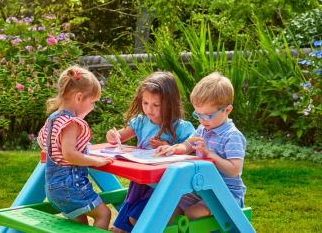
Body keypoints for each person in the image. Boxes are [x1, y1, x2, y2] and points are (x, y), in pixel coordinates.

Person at [106, 72, 195, 233]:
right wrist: (113, 136)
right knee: (132, 200)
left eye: (156, 105)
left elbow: (193, 154)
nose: (149, 109)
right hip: (141, 180)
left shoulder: (182, 127)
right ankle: (122, 227)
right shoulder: (141, 122)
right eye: (145, 103)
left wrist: (168, 147)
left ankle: (129, 226)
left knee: (137, 217)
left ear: (170, 103)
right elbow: (120, 136)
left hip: (164, 183)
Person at [156, 72, 247, 227]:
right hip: (201, 189)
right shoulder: (202, 129)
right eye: (198, 115)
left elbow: (233, 170)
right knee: (168, 205)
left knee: (192, 214)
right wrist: (171, 149)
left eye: (208, 115)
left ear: (228, 110)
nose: (202, 120)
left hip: (225, 193)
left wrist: (209, 154)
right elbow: (186, 146)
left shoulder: (232, 136)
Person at [37, 65, 114, 230]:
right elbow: (69, 154)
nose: (93, 107)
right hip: (69, 186)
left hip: (53, 188)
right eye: (92, 102)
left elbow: (43, 142)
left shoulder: (53, 119)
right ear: (79, 97)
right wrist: (96, 161)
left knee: (80, 226)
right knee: (104, 214)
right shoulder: (71, 123)